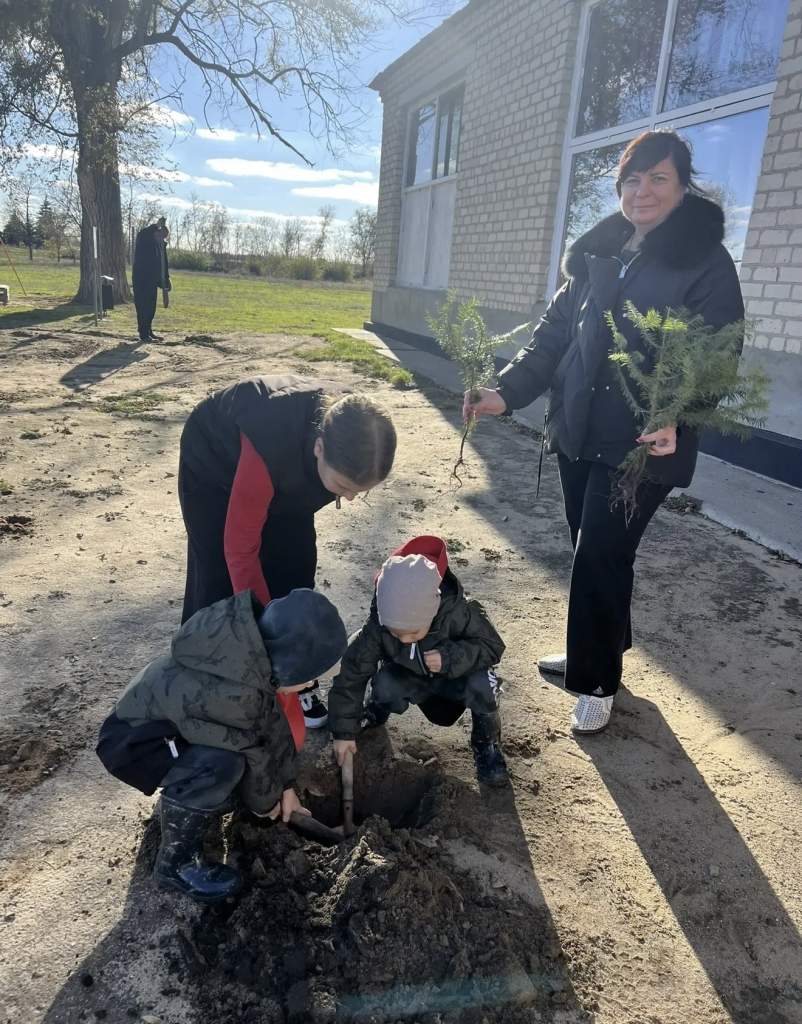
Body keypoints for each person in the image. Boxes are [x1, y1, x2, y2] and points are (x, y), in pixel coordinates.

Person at [463, 130, 744, 736]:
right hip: (579, 429)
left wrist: (679, 412)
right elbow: (551, 337)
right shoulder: (598, 255)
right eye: (631, 179)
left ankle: (595, 679)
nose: (642, 191)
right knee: (592, 546)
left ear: (681, 185)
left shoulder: (704, 261)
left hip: (644, 442)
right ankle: (601, 647)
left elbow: (716, 353)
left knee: (599, 554)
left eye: (658, 178)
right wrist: (505, 392)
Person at [96, 588, 348, 902]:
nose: (311, 685)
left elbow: (271, 724)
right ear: (289, 666)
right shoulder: (235, 696)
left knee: (235, 770)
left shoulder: (249, 657)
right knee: (223, 767)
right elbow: (251, 749)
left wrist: (286, 784)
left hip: (170, 727)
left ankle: (187, 795)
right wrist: (267, 803)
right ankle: (176, 864)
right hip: (135, 744)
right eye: (309, 677)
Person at [178, 374, 397, 733]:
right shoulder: (270, 443)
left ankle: (298, 680)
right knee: (218, 579)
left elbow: (325, 487)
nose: (351, 498)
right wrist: (265, 627)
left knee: (295, 568)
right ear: (319, 448)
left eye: (362, 491)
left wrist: (287, 638)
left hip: (288, 473)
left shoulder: (355, 434)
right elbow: (240, 551)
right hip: (215, 465)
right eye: (344, 488)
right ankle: (206, 684)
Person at [328, 535, 508, 787]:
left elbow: (492, 646)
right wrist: (343, 732)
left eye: (413, 632)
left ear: (431, 612)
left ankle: (486, 745)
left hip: (455, 682)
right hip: (412, 681)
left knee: (484, 683)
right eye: (395, 633)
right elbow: (352, 674)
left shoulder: (459, 612)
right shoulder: (378, 625)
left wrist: (449, 657)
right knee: (385, 682)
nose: (404, 640)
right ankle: (376, 712)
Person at [132, 217, 170, 342]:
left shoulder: (160, 247)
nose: (162, 239)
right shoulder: (145, 240)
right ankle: (143, 334)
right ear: (155, 233)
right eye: (160, 235)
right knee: (143, 307)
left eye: (164, 237)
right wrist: (156, 225)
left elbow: (163, 265)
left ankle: (148, 331)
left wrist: (165, 282)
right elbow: (144, 233)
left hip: (152, 281)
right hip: (142, 279)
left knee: (151, 308)